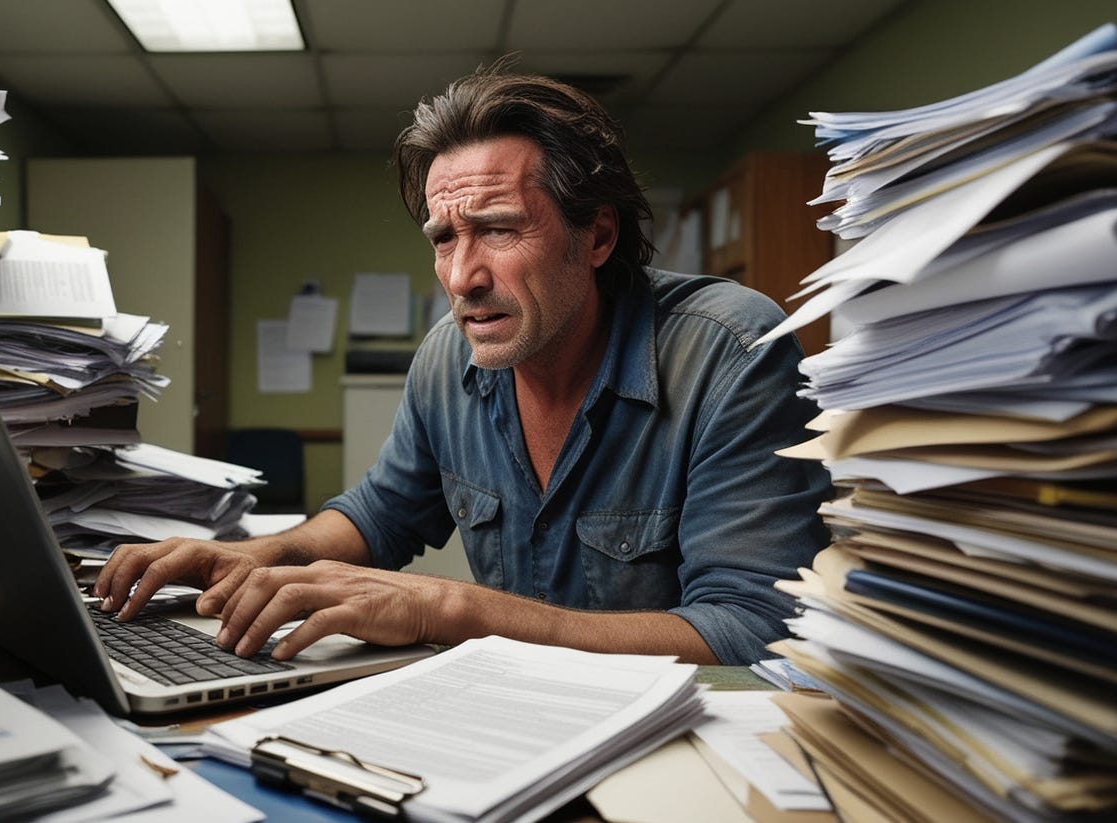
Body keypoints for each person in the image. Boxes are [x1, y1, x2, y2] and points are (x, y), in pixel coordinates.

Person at [95, 61, 831, 666]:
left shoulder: (729, 352)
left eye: (499, 229)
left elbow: (752, 629)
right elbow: (382, 510)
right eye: (445, 238)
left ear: (597, 236)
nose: (461, 276)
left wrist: (448, 606)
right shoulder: (448, 360)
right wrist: (257, 556)